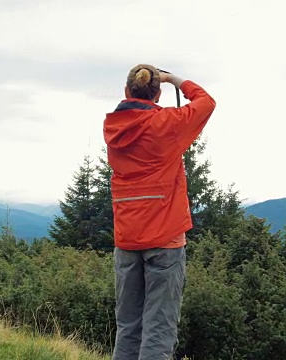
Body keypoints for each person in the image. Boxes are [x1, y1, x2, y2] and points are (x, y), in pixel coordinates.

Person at [103, 64, 216, 360]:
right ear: (157, 93)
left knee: (128, 326)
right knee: (159, 326)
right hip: (164, 240)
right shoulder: (167, 124)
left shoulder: (114, 129)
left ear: (127, 91)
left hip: (126, 238)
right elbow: (206, 102)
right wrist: (174, 79)